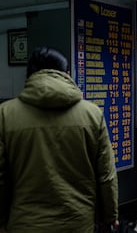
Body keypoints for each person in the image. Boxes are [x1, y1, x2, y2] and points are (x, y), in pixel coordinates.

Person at [0, 47, 119, 232]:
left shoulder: (5, 115)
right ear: (66, 74)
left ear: (29, 75)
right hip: (78, 224)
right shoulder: (92, 114)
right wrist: (110, 217)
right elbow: (106, 175)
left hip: (25, 225)